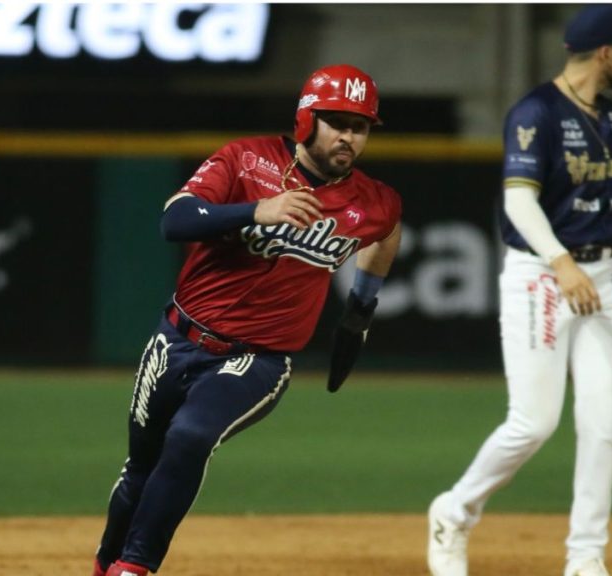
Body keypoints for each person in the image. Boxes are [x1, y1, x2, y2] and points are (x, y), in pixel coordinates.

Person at [91, 63, 402, 576]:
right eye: (337, 121)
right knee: (140, 471)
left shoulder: (375, 201)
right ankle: (107, 564)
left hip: (257, 360)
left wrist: (359, 315)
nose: (349, 135)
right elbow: (175, 219)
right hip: (177, 339)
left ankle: (135, 568)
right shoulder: (245, 158)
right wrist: (256, 210)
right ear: (307, 120)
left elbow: (386, 233)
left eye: (360, 126)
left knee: (190, 437)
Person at [427, 5, 612, 576]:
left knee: (603, 425)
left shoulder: (609, 118)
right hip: (545, 275)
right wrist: (562, 263)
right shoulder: (537, 112)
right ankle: (454, 511)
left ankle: (585, 558)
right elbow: (518, 200)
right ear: (605, 53)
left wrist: (590, 268)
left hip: (604, 277)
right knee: (534, 420)